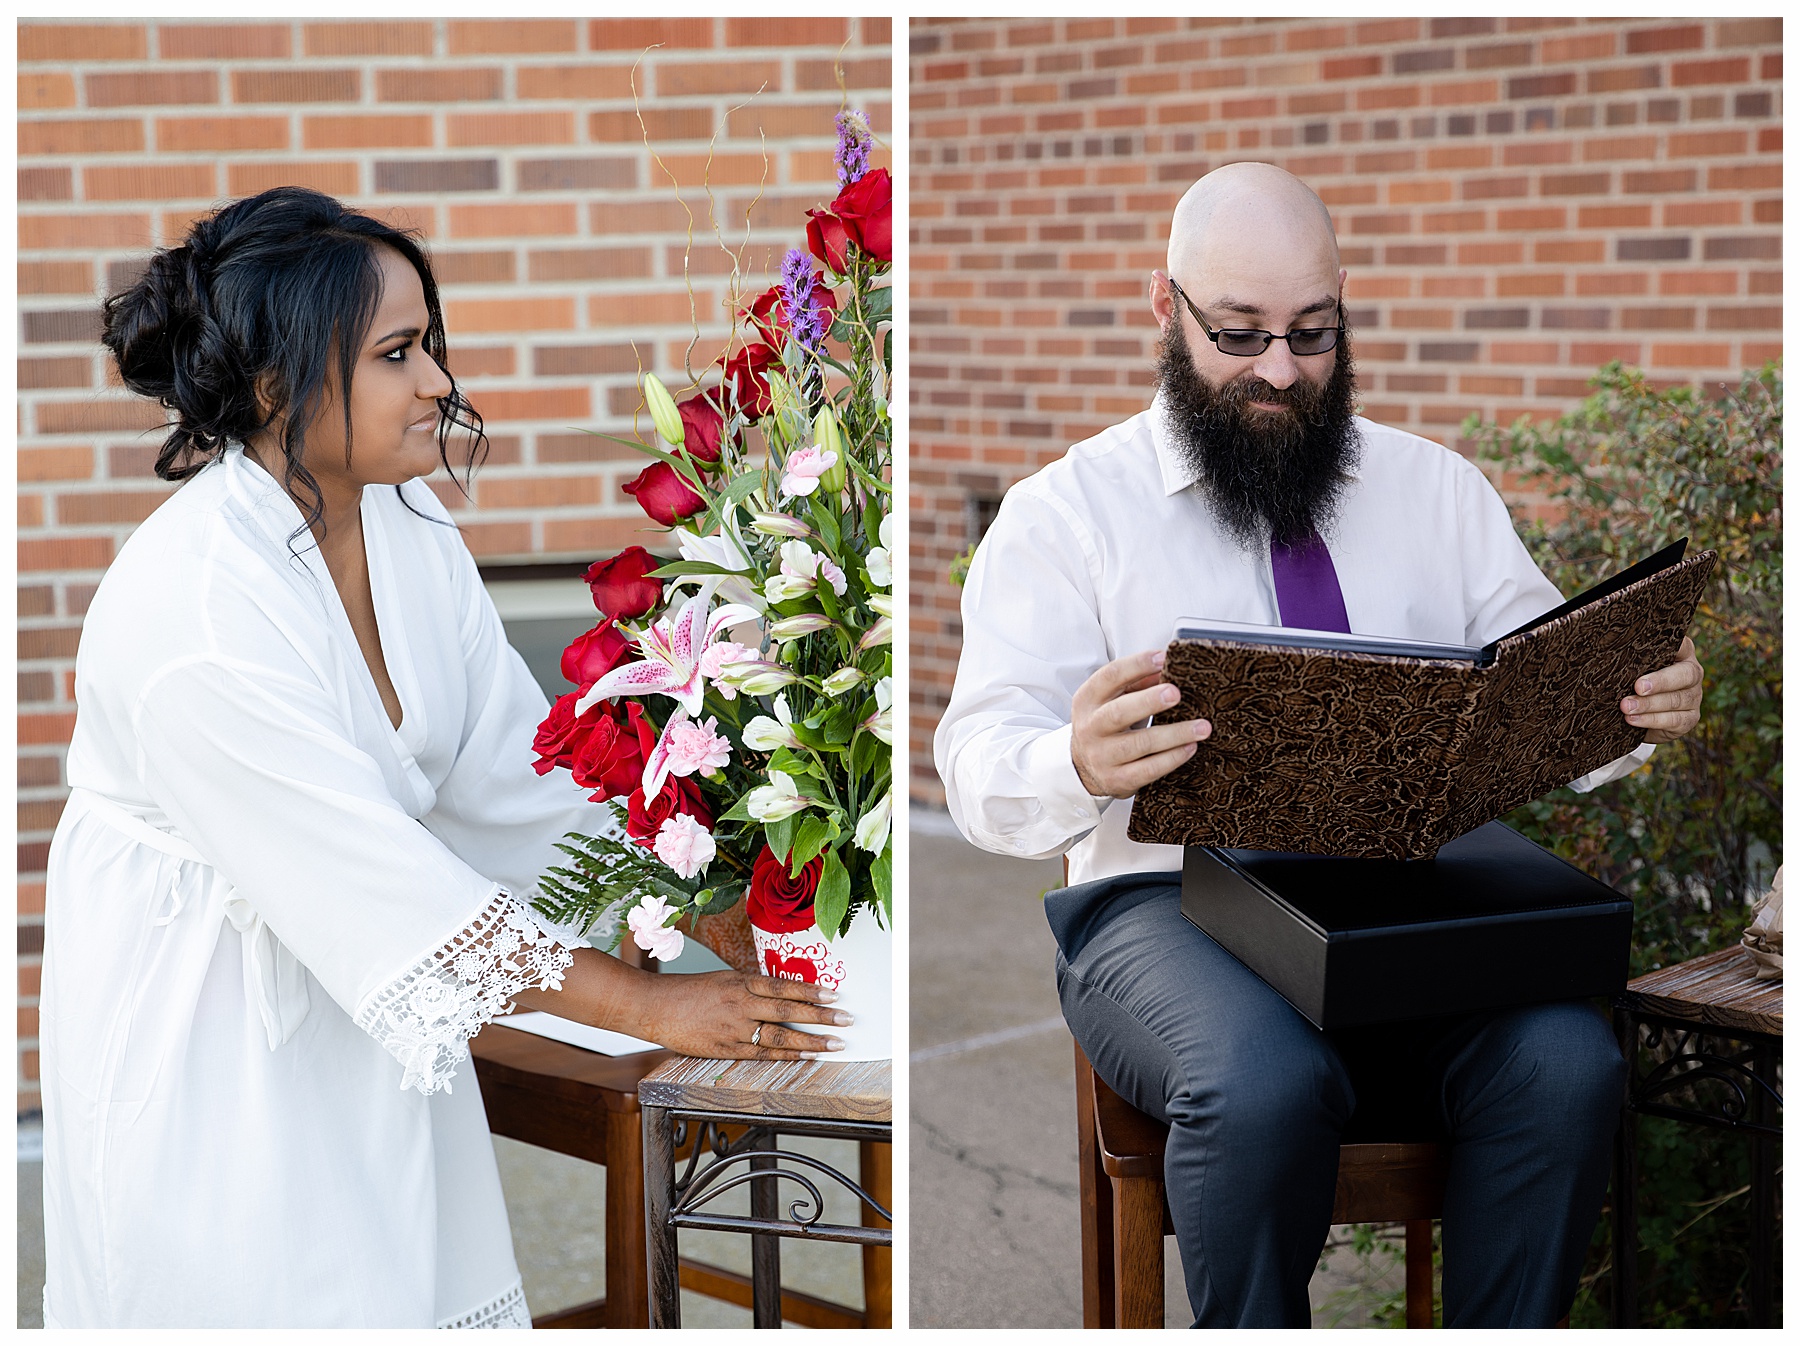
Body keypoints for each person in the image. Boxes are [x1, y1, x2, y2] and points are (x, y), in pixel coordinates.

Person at [40, 187, 852, 1329]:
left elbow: (513, 774)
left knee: (399, 1280)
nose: (436, 381)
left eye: (429, 343)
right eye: (395, 352)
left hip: (377, 988)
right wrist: (644, 1004)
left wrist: (684, 898)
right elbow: (372, 880)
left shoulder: (407, 528)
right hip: (210, 1030)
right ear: (275, 383)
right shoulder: (197, 615)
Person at [935, 163, 1705, 1328]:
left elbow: (1542, 688)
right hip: (1163, 908)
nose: (1281, 369)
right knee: (1263, 1083)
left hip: (1416, 910)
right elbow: (977, 760)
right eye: (1240, 334)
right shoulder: (1066, 515)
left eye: (1313, 331)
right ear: (1166, 308)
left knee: (1567, 1065)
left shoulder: (1437, 492)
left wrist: (1626, 706)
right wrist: (1074, 763)